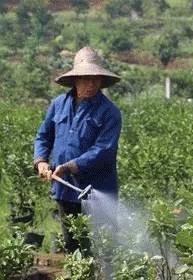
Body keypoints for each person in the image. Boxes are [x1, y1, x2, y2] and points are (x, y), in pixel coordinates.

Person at [33, 46, 122, 253]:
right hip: (65, 188)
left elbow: (103, 150)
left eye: (95, 79)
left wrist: (69, 166)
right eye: (85, 78)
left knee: (100, 247)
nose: (91, 84)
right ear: (75, 79)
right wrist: (41, 161)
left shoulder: (109, 112)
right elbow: (43, 135)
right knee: (73, 244)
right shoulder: (58, 104)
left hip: (96, 188)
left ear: (101, 80)